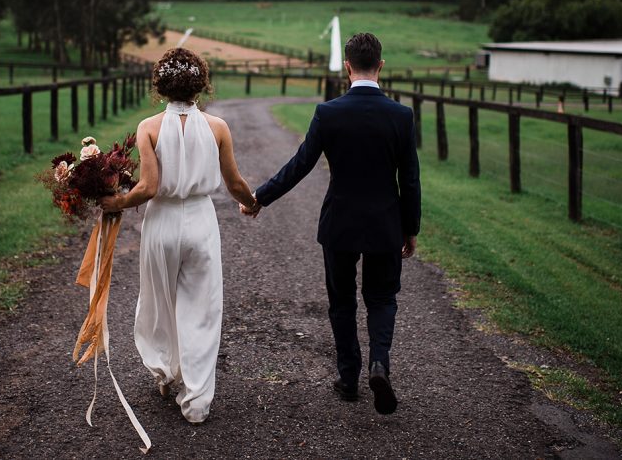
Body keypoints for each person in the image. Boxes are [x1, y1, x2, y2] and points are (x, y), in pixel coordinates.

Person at [242, 32, 420, 415]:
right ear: (381, 66)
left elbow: (300, 165)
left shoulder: (329, 113)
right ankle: (379, 365)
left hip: (339, 224)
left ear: (347, 66)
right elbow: (410, 180)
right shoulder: (401, 116)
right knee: (382, 297)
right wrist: (411, 228)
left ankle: (348, 378)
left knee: (341, 301)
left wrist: (260, 198)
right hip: (385, 224)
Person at [100, 47, 259, 424]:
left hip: (162, 225)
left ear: (160, 86)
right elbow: (234, 182)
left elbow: (149, 187)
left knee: (159, 300)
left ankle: (164, 371)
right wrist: (252, 202)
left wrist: (116, 202)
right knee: (201, 309)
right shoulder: (217, 127)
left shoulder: (149, 127)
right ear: (201, 84)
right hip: (201, 223)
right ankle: (196, 402)